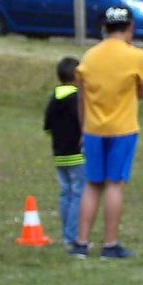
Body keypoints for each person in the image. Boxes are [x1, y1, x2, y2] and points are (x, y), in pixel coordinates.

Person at [70, 6, 143, 260]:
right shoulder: (136, 56)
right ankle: (110, 244)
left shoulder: (89, 57)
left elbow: (82, 97)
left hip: (93, 128)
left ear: (104, 28)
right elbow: (142, 91)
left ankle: (81, 243)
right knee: (115, 183)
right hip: (123, 128)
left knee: (92, 184)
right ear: (130, 27)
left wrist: (84, 127)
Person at [43, 57, 85, 246]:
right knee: (78, 194)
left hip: (59, 154)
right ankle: (73, 236)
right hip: (77, 154)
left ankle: (67, 234)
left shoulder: (54, 98)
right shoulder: (77, 99)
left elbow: (47, 127)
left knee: (65, 193)